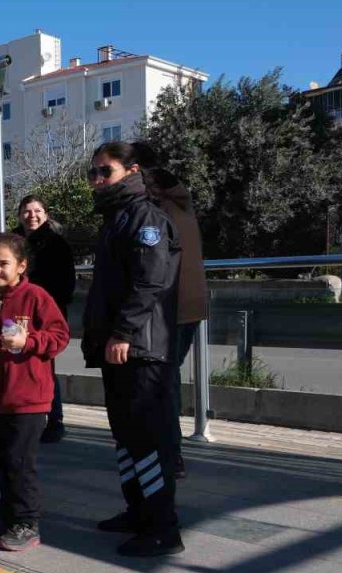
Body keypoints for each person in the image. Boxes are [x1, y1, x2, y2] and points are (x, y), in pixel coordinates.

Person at [82, 141, 184, 557]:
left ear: (132, 171)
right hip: (121, 347)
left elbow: (150, 281)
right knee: (126, 436)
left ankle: (162, 528)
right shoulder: (117, 217)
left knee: (147, 438)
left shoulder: (145, 217)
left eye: (105, 171)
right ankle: (138, 512)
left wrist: (123, 333)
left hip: (141, 348)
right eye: (93, 173)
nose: (97, 179)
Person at [0, 233, 70, 552]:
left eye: (3, 264)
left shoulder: (36, 296)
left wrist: (29, 341)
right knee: (3, 460)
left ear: (21, 266)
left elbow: (60, 336)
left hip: (28, 398)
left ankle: (27, 523)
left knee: (20, 463)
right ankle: (8, 519)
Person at [134, 141, 207, 480]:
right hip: (185, 304)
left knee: (162, 381)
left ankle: (168, 452)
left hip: (168, 306)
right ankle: (167, 450)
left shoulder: (155, 206)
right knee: (166, 378)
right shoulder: (178, 198)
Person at [13, 196, 77, 444]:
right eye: (26, 211)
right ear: (19, 215)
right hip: (16, 313)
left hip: (45, 315)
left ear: (46, 214)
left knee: (44, 365)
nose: (32, 215)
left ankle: (54, 419)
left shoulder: (56, 243)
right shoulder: (12, 241)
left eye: (37, 211)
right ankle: (22, 414)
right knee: (17, 363)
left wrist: (47, 308)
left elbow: (67, 283)